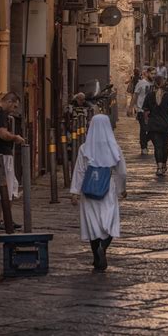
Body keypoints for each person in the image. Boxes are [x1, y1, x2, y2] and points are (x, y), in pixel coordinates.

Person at [70, 114, 127, 272]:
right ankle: (103, 246)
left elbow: (80, 171)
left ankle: (97, 258)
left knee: (92, 224)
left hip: (89, 190)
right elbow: (121, 172)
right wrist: (122, 189)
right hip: (107, 189)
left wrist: (75, 191)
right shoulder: (114, 148)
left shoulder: (84, 148)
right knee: (109, 221)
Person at [0, 91, 25, 202]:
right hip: (2, 154)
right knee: (6, 188)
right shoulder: (0, 114)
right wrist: (15, 137)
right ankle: (5, 218)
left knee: (5, 186)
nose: (14, 110)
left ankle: (2, 218)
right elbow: (2, 134)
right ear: (9, 101)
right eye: (14, 106)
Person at [143, 75, 168, 176]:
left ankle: (159, 167)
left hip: (154, 125)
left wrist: (146, 123)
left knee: (157, 147)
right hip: (167, 125)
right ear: (163, 84)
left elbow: (146, 112)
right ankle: (164, 165)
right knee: (164, 146)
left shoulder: (149, 96)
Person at [129, 66, 155, 154]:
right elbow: (135, 95)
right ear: (147, 73)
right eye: (152, 74)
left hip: (152, 111)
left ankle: (143, 141)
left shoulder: (155, 84)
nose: (153, 75)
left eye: (155, 74)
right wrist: (130, 107)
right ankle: (144, 147)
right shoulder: (141, 83)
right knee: (144, 128)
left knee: (153, 129)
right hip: (141, 110)